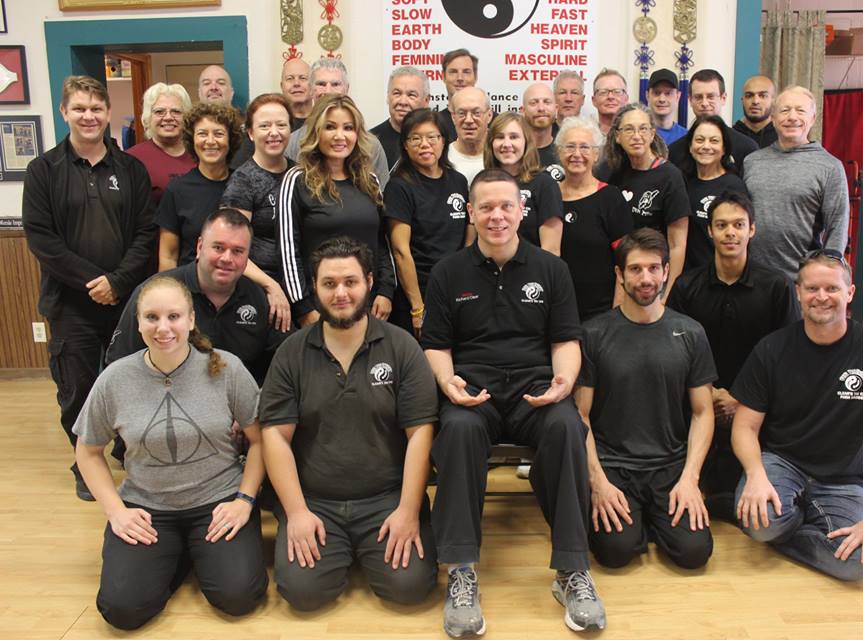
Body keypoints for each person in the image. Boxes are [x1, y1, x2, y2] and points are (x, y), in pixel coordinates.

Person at [422, 168, 606, 636]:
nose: (497, 216)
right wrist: (446, 382)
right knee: (457, 430)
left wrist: (564, 381)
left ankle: (572, 570)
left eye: (506, 206)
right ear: (471, 212)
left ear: (522, 211)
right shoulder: (447, 272)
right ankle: (461, 572)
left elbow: (566, 340)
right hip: (473, 390)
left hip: (534, 389)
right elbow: (436, 346)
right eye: (486, 207)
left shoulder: (552, 269)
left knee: (567, 426)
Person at [75, 276, 267, 629]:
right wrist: (116, 512)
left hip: (218, 502)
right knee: (123, 610)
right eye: (152, 317)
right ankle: (179, 552)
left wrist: (244, 500)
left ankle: (192, 551)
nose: (163, 328)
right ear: (138, 323)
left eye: (174, 317)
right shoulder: (115, 379)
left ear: (191, 320)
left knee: (239, 596)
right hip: (147, 508)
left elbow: (260, 441)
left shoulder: (226, 368)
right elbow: (87, 452)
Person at [260, 237, 438, 611]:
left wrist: (407, 510)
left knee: (409, 588)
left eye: (350, 282)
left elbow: (421, 433)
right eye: (329, 283)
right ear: (314, 287)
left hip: (386, 499)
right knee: (303, 593)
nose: (340, 293)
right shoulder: (291, 352)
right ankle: (342, 550)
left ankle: (362, 548)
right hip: (315, 501)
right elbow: (274, 435)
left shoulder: (403, 347)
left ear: (369, 282)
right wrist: (297, 513)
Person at [732, 250, 863, 580]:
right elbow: (744, 426)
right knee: (760, 522)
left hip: (844, 480)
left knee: (860, 564)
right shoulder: (772, 348)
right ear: (798, 292)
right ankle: (786, 522)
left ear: (849, 293)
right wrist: (755, 474)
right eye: (812, 288)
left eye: (832, 289)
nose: (822, 297)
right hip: (782, 464)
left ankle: (792, 527)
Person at [22, 75, 155, 500]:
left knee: (132, 380)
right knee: (77, 387)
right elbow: (41, 239)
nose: (89, 116)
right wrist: (92, 282)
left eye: (96, 108)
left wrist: (117, 282)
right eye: (79, 108)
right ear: (64, 112)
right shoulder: (43, 171)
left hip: (125, 300)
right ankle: (85, 462)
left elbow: (146, 233)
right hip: (70, 303)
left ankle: (126, 452)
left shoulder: (130, 169)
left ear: (108, 112)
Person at [577, 228, 716, 570]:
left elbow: (703, 412)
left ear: (666, 271)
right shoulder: (593, 334)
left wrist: (691, 479)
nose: (646, 278)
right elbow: (581, 415)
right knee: (615, 551)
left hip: (670, 468)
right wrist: (598, 483)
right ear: (619, 274)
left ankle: (652, 520)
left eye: (654, 268)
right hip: (615, 467)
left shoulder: (691, 333)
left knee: (694, 553)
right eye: (636, 269)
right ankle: (641, 522)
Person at [668, 191, 799, 520]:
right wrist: (708, 393)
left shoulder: (777, 287)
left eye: (739, 225)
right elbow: (674, 351)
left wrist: (741, 398)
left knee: (739, 500)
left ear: (752, 230)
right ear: (709, 231)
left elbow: (786, 355)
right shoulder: (686, 286)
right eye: (722, 225)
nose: (730, 233)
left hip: (756, 408)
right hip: (699, 400)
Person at [107, 209, 287, 385]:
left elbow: (285, 366)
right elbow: (118, 369)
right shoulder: (153, 294)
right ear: (200, 247)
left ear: (248, 256)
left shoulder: (261, 300)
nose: (227, 258)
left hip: (237, 401)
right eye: (218, 247)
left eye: (238, 251)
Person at [277, 94, 396, 327]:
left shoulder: (369, 181)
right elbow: (288, 251)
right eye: (330, 127)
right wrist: (304, 309)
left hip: (369, 307)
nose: (340, 136)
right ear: (316, 132)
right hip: (319, 308)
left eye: (348, 128)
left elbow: (382, 243)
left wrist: (386, 291)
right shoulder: (297, 180)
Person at [743, 86, 849, 281]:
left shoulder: (830, 167)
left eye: (800, 110)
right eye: (785, 110)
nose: (792, 117)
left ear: (813, 118)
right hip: (752, 278)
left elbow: (838, 225)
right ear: (773, 118)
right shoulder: (751, 162)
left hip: (800, 281)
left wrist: (826, 275)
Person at [384, 108, 471, 337]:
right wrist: (417, 308)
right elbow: (400, 251)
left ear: (443, 141)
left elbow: (468, 237)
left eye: (432, 137)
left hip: (456, 285)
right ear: (405, 145)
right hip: (419, 289)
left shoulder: (458, 181)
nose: (425, 144)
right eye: (415, 138)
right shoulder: (399, 187)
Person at [221, 93, 296, 332]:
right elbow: (230, 248)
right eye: (264, 126)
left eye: (281, 125)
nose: (274, 132)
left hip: (299, 288)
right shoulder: (243, 181)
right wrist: (271, 286)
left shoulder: (300, 174)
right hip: (260, 290)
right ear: (251, 133)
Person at [599, 103, 691, 298]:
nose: (636, 136)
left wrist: (668, 294)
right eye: (628, 129)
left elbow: (678, 244)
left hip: (652, 279)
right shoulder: (612, 173)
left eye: (643, 129)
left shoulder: (670, 177)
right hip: (618, 277)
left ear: (652, 134)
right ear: (617, 136)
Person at [555, 117, 632, 320]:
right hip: (556, 310)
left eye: (585, 147)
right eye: (570, 146)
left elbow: (625, 259)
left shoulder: (611, 198)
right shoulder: (548, 196)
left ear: (596, 154)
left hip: (601, 314)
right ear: (559, 152)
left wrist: (617, 315)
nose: (577, 154)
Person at [156, 102, 243, 271]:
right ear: (192, 139)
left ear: (230, 140)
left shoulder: (243, 185)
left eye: (218, 134)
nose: (210, 141)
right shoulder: (177, 189)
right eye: (202, 134)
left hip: (236, 280)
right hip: (189, 282)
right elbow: (168, 256)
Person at [285, 58, 391, 189]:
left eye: (335, 84)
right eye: (321, 84)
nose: (328, 91)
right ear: (311, 89)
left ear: (347, 88)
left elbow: (382, 194)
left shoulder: (370, 146)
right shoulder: (292, 143)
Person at [484, 111, 563, 255]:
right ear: (491, 143)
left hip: (532, 268)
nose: (506, 144)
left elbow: (551, 250)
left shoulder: (545, 185)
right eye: (500, 137)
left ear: (526, 142)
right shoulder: (483, 184)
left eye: (514, 137)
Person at [679, 115, 748, 270]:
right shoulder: (683, 183)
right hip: (689, 276)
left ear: (724, 148)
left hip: (722, 274)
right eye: (699, 140)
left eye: (714, 141)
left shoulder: (733, 186)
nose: (706, 146)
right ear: (690, 146)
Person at [667, 69, 759, 175]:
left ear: (723, 98)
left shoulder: (747, 148)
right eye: (698, 97)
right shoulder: (674, 151)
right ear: (690, 100)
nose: (704, 103)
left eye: (711, 97)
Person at [126, 82, 195, 204]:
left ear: (187, 117)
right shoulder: (131, 159)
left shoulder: (200, 154)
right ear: (148, 117)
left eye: (176, 111)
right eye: (159, 111)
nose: (168, 117)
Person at [371, 65, 431, 170]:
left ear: (426, 100)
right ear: (388, 97)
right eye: (397, 93)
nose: (403, 102)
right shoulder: (369, 141)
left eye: (411, 95)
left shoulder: (437, 140)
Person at [447, 87, 492, 185]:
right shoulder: (442, 158)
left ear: (489, 116)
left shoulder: (501, 156)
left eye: (476, 113)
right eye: (461, 113)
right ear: (453, 117)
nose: (468, 120)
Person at [438, 48, 478, 143]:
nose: (460, 78)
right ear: (443, 76)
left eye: (466, 72)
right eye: (453, 72)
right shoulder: (435, 124)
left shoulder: (493, 123)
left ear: (476, 76)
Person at [521, 82, 560, 168]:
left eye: (547, 102)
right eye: (533, 103)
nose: (541, 108)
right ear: (523, 111)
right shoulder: (513, 151)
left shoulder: (565, 153)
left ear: (556, 109)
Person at [734, 75, 778, 149]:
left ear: (773, 100)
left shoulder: (783, 136)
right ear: (742, 100)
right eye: (749, 96)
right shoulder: (730, 136)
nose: (755, 101)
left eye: (763, 96)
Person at [646, 69, 687, 145]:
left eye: (668, 93)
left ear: (678, 96)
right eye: (656, 93)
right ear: (647, 95)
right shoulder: (639, 134)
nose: (662, 99)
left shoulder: (687, 137)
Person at [591, 68, 629, 137]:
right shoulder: (584, 134)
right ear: (594, 100)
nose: (610, 97)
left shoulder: (636, 136)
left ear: (626, 99)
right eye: (603, 92)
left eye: (617, 91)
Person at [280, 57, 312, 130]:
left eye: (303, 78)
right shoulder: (274, 123)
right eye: (290, 78)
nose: (296, 83)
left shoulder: (324, 120)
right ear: (282, 86)